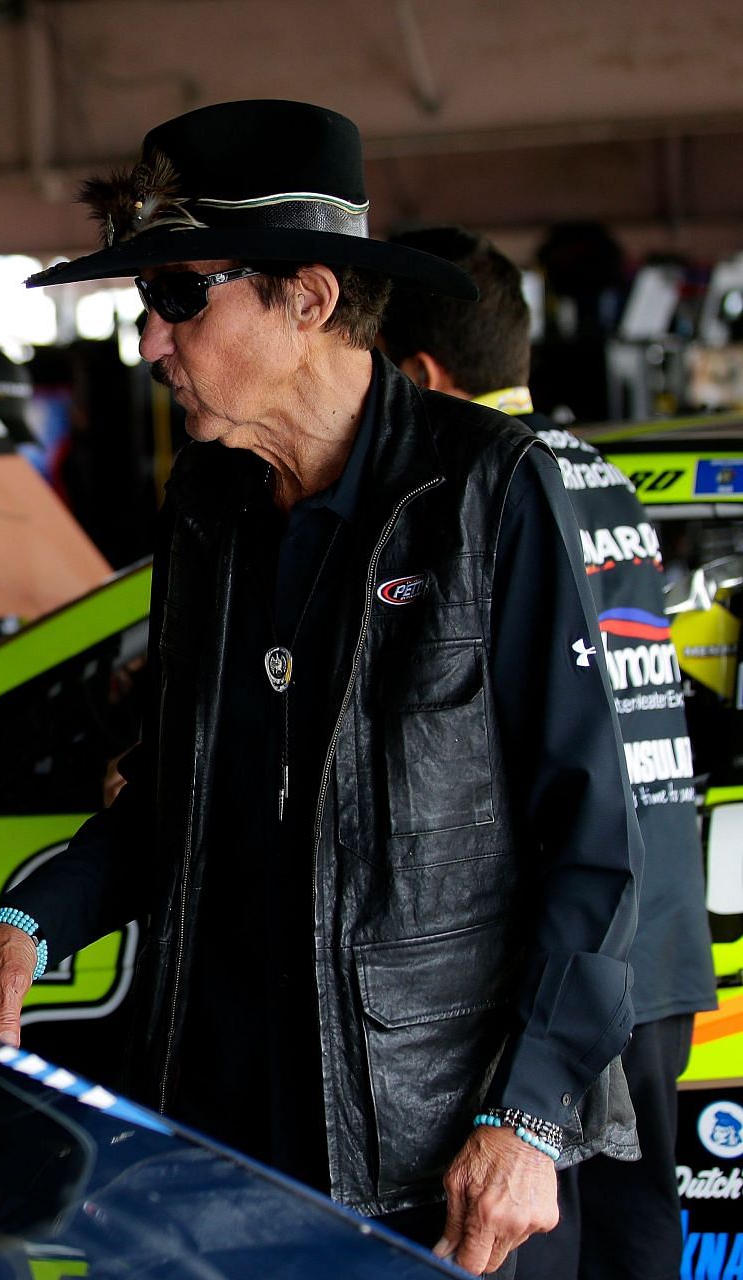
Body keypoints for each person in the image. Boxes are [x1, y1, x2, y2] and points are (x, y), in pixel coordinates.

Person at [0, 100, 639, 1277]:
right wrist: (27, 924)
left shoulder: (488, 492)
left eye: (178, 299)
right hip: (216, 1145)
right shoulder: (208, 503)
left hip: (430, 1166)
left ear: (308, 298)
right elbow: (178, 796)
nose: (151, 343)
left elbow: (593, 849)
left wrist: (526, 1117)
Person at [380, 225, 717, 1280]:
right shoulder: (600, 475)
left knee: (536, 1244)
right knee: (637, 1232)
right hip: (656, 924)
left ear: (421, 375)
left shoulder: (481, 493)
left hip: (560, 949)